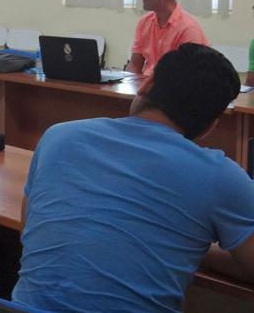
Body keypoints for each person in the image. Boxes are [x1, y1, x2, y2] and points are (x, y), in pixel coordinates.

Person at [14, 43, 254, 312]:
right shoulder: (220, 176)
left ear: (146, 85)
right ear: (211, 125)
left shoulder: (58, 136)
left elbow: (29, 227)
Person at [126, 0, 208, 75]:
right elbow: (134, 64)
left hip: (174, 88)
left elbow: (189, 75)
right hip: (148, 85)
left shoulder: (188, 29)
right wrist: (125, 85)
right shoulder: (144, 22)